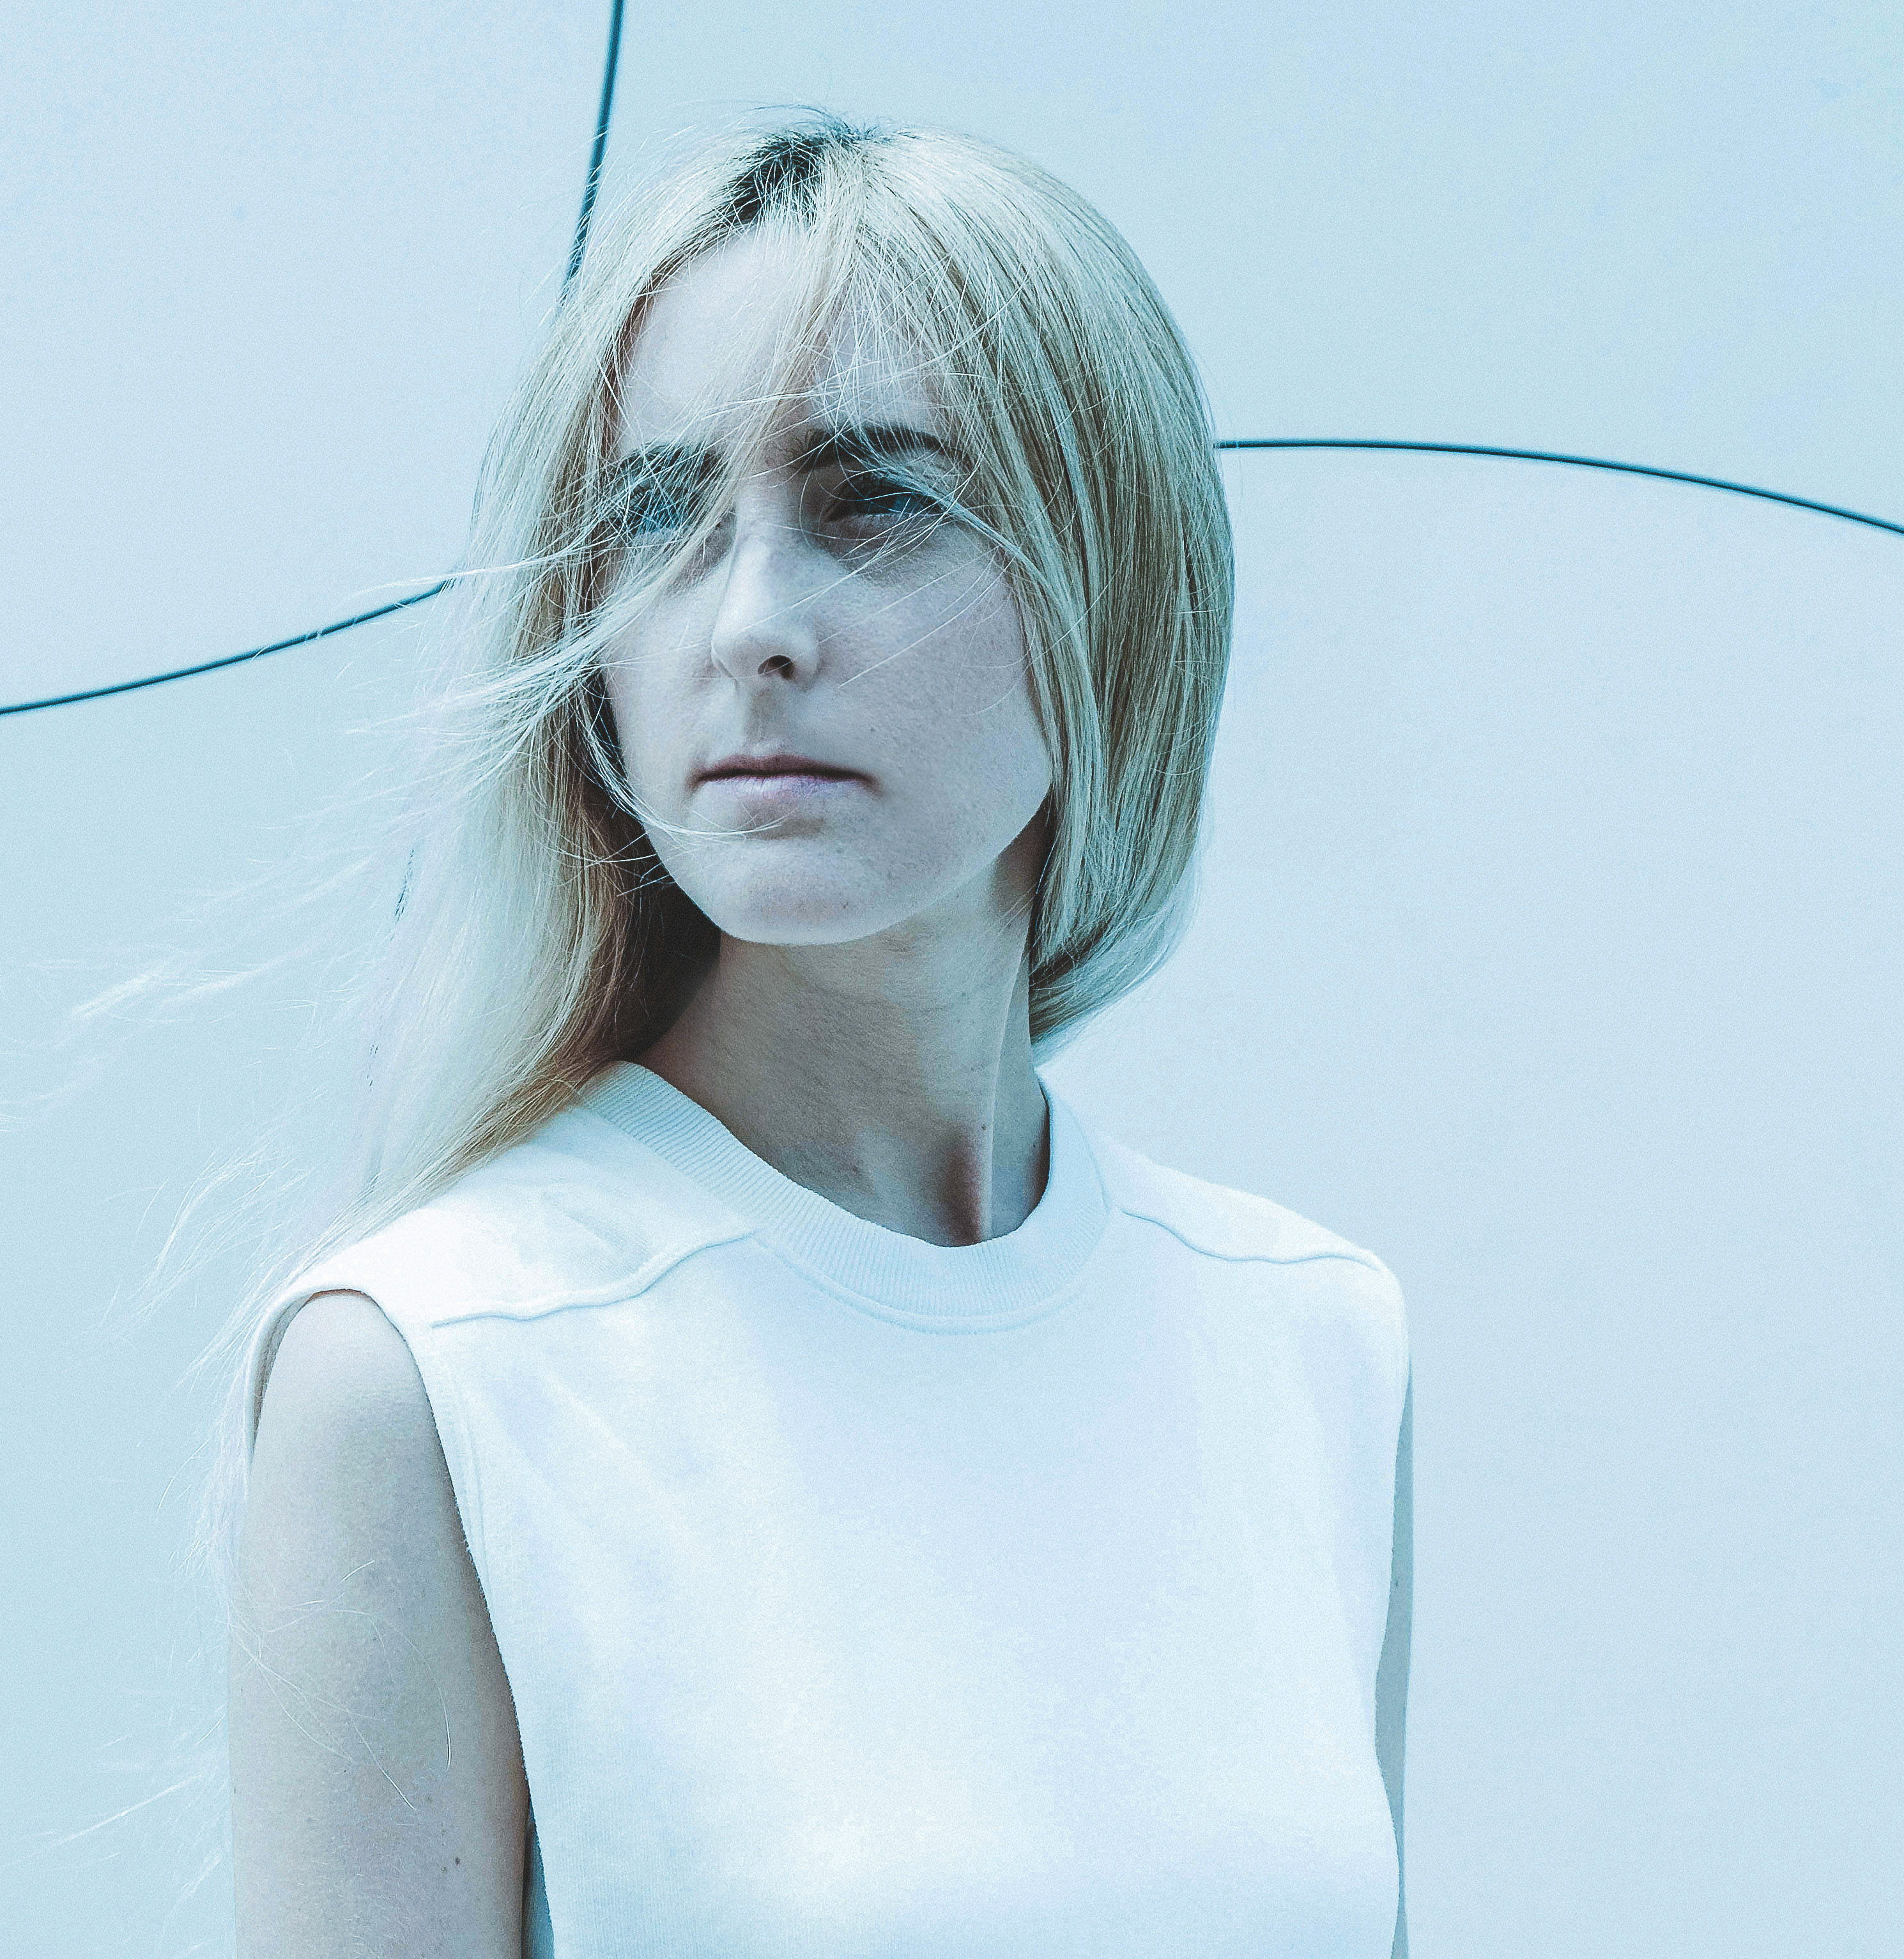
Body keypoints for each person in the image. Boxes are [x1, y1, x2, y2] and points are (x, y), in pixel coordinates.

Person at [224, 114, 1412, 1958]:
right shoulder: (436, 1366)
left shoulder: (1307, 1336)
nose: (752, 624)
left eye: (878, 503)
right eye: (660, 515)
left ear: (1113, 585)